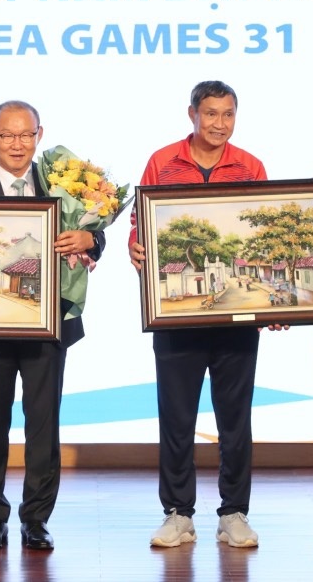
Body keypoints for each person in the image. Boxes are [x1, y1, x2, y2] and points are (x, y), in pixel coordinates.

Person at [0, 99, 105, 552]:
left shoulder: (65, 187)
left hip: (48, 325)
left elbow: (94, 235)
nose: (17, 144)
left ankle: (36, 519)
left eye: (26, 134)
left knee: (43, 426)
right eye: (7, 135)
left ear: (39, 135)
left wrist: (90, 238)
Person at [126, 81, 267, 549]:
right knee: (176, 417)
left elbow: (259, 228)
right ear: (192, 114)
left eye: (228, 114)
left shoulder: (250, 167)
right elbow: (140, 224)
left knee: (235, 420)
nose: (219, 124)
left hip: (237, 325)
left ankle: (234, 512)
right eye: (210, 114)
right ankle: (178, 513)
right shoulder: (162, 162)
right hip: (175, 322)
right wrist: (136, 247)